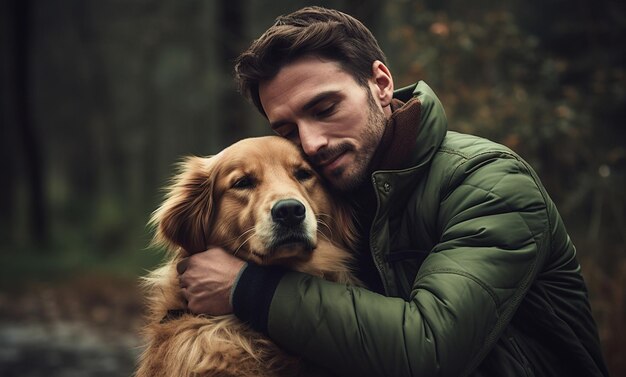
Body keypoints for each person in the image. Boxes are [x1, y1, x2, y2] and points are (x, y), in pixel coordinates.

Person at [177, 6, 609, 376]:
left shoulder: (489, 183)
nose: (311, 144)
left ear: (381, 84)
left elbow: (430, 351)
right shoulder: (335, 187)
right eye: (288, 130)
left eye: (325, 109)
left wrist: (247, 288)